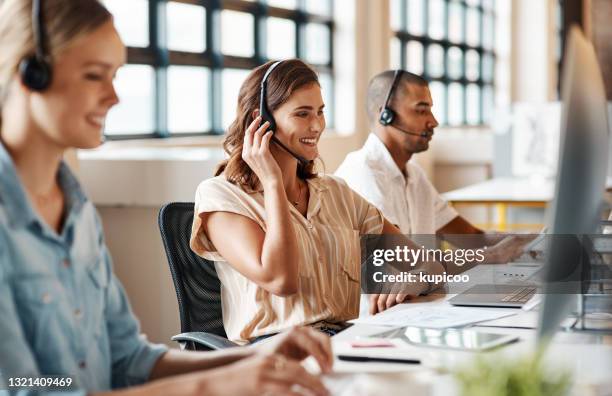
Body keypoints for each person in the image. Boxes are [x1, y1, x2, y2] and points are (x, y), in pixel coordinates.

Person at [0, 1, 333, 395]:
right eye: (94, 76)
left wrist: (252, 357)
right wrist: (214, 385)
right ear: (31, 75)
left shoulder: (76, 210)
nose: (114, 97)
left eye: (115, 76)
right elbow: (28, 388)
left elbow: (129, 361)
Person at [190, 59, 446, 344]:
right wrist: (273, 183)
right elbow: (280, 280)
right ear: (260, 120)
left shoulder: (337, 193)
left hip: (343, 341)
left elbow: (428, 265)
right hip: (274, 353)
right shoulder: (221, 196)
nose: (316, 126)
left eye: (320, 112)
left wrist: (412, 279)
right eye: (302, 114)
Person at [335, 70, 532, 265]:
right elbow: (397, 260)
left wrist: (531, 240)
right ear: (385, 115)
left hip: (420, 294)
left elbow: (472, 237)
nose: (433, 121)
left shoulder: (413, 174)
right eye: (421, 110)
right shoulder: (363, 174)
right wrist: (491, 256)